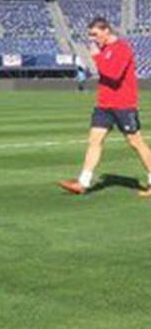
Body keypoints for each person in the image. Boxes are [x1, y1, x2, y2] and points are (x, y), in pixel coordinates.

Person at [59, 18, 151, 196]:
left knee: (136, 142)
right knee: (94, 141)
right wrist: (99, 55)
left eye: (95, 34)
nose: (92, 39)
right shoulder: (105, 50)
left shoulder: (122, 48)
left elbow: (114, 74)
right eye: (90, 35)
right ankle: (82, 183)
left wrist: (96, 56)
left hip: (124, 105)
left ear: (106, 31)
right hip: (104, 105)